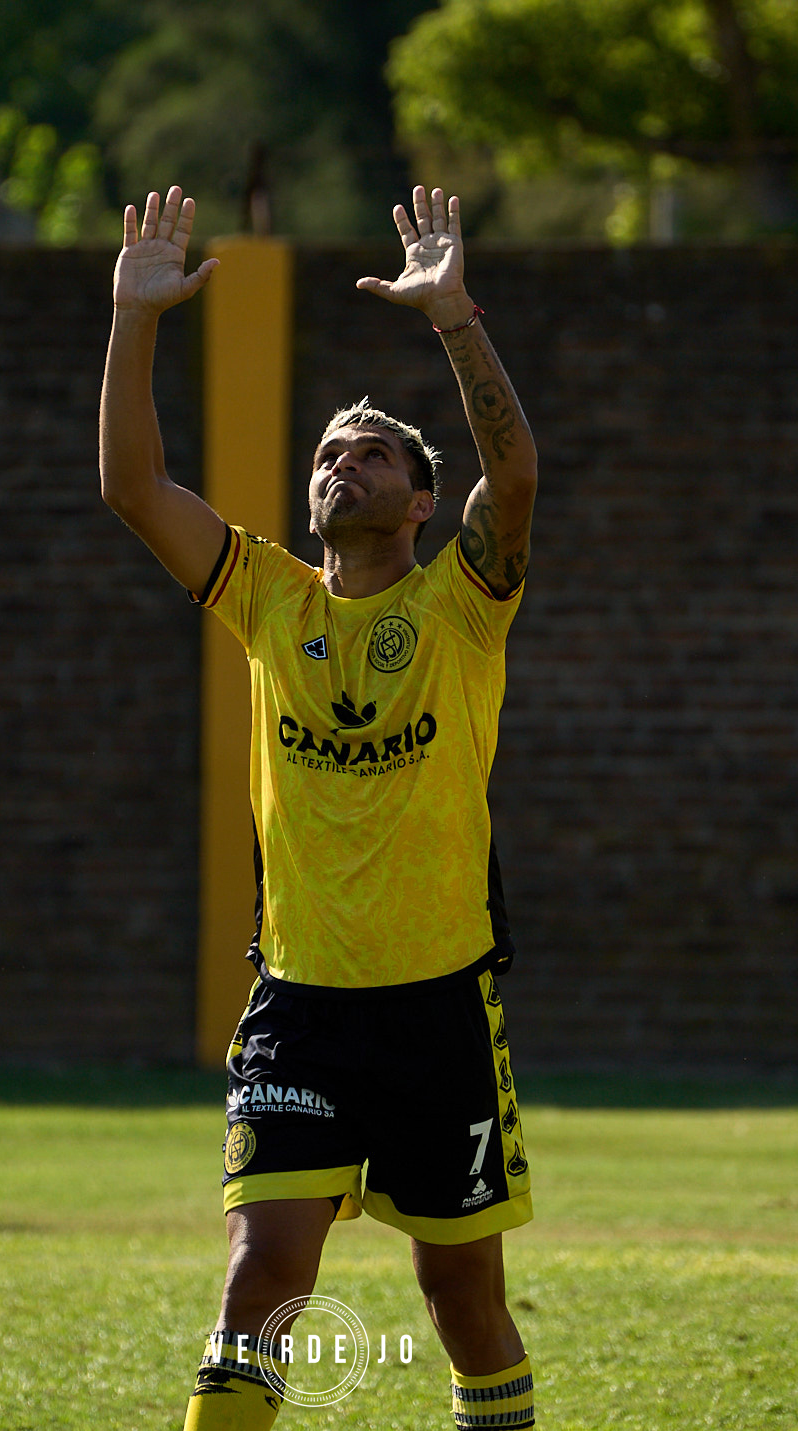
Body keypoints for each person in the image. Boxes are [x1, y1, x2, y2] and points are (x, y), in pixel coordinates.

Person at [98, 183, 539, 1431]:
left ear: (414, 503)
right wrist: (135, 320)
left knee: (462, 1302)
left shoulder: (461, 605)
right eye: (325, 454)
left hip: (440, 1002)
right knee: (260, 1278)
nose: (342, 462)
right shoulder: (268, 600)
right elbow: (134, 488)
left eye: (373, 454)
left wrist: (451, 318)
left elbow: (511, 476)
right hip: (297, 1006)